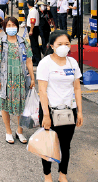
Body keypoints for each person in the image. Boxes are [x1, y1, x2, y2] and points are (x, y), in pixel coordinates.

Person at [36, 30, 83, 182]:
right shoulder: (45, 63)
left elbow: (77, 88)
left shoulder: (73, 63)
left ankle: (62, 174)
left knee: (65, 145)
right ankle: (47, 175)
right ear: (52, 46)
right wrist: (46, 115)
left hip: (69, 111)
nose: (64, 47)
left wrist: (80, 112)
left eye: (67, 44)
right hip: (50, 110)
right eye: (60, 44)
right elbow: (42, 90)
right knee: (49, 145)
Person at [0, 17, 35, 144]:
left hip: (21, 79)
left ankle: (19, 131)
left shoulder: (24, 42)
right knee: (5, 106)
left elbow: (29, 60)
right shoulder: (0, 42)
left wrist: (32, 78)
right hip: (6, 79)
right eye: (8, 25)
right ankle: (8, 132)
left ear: (18, 27)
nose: (11, 27)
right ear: (5, 27)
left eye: (13, 25)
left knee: (21, 106)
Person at [27, 0, 41, 66]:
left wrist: (31, 30)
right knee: (33, 44)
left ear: (28, 4)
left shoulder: (32, 11)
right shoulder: (33, 10)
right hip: (33, 28)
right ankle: (35, 58)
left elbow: (33, 21)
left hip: (33, 28)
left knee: (34, 45)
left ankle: (37, 60)